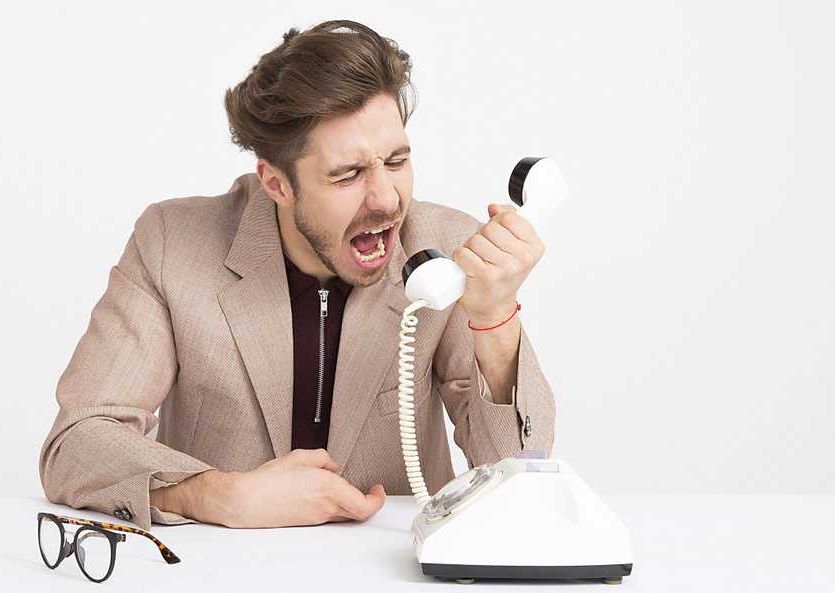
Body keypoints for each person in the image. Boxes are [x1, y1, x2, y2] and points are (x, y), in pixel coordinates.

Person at [38, 19, 555, 531]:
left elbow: (519, 473)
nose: (386, 199)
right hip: (217, 568)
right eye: (347, 174)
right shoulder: (172, 242)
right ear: (277, 183)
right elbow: (77, 442)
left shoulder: (445, 247)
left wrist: (494, 320)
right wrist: (216, 495)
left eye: (396, 160)